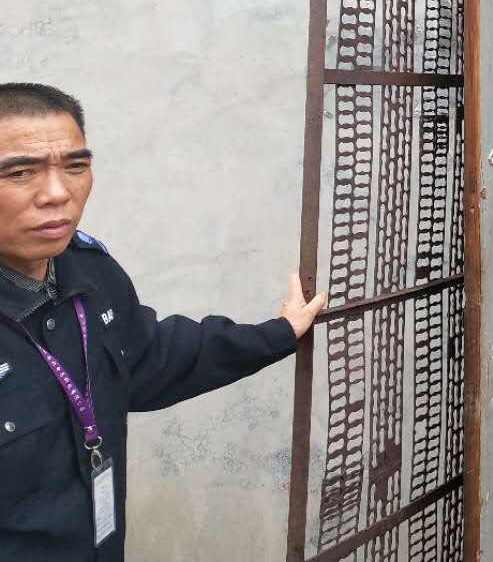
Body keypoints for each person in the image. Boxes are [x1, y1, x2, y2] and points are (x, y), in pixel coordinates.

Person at [0, 83, 326, 561]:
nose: (57, 193)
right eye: (20, 172)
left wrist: (278, 332)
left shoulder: (90, 273)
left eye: (75, 166)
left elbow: (151, 356)